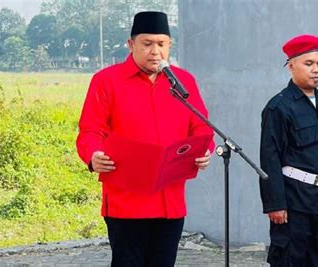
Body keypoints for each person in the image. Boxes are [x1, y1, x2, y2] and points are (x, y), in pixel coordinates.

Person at [76, 11, 214, 267]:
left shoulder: (183, 82)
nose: (155, 51)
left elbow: (201, 127)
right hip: (126, 202)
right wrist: (93, 155)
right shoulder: (107, 81)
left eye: (161, 44)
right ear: (131, 45)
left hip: (170, 201)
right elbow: (90, 131)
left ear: (169, 45)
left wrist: (205, 150)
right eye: (147, 44)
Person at [259, 34, 318, 266]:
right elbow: (270, 158)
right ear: (291, 66)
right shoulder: (279, 107)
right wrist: (275, 203)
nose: (316, 70)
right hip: (295, 201)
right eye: (308, 64)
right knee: (291, 259)